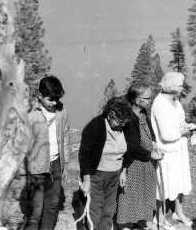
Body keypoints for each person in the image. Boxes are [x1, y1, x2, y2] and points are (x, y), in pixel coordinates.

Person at [20, 75, 70, 230]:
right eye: (51, 99)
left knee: (52, 205)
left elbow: (65, 135)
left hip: (56, 164)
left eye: (57, 99)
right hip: (37, 167)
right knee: (36, 210)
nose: (55, 103)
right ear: (39, 96)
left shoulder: (62, 111)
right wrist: (23, 170)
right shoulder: (31, 115)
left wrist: (65, 163)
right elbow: (23, 144)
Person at [151, 72, 196, 229]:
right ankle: (159, 218)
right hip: (167, 152)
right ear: (171, 86)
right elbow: (166, 135)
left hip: (179, 149)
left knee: (180, 182)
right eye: (180, 85)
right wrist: (184, 132)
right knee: (164, 186)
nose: (182, 87)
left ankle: (178, 212)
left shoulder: (175, 100)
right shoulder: (160, 104)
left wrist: (187, 127)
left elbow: (180, 121)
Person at [79, 98, 132, 230]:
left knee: (109, 209)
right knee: (95, 209)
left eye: (124, 123)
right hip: (96, 175)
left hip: (115, 175)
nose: (121, 126)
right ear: (110, 115)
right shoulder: (94, 127)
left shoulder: (125, 127)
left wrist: (124, 171)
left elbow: (129, 149)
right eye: (119, 122)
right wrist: (86, 180)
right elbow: (84, 155)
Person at [117, 85, 164, 230]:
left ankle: (142, 220)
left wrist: (154, 143)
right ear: (136, 100)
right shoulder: (129, 117)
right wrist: (150, 154)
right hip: (133, 162)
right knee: (131, 193)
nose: (150, 100)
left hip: (146, 162)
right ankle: (125, 223)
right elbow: (132, 146)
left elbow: (150, 131)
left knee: (145, 191)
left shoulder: (143, 113)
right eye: (147, 98)